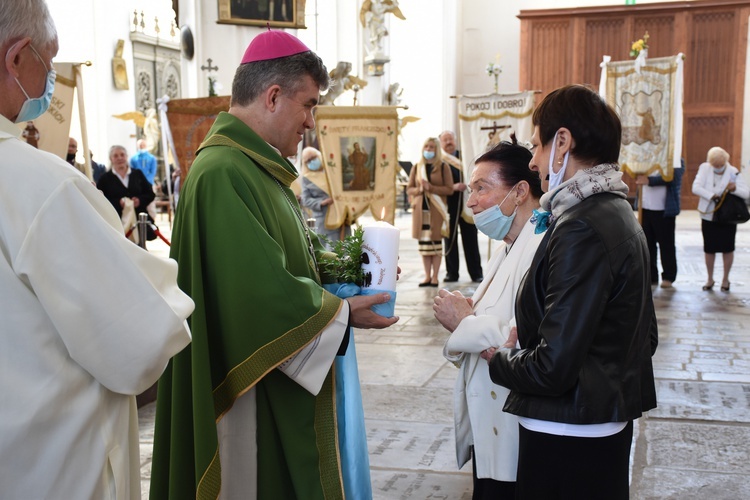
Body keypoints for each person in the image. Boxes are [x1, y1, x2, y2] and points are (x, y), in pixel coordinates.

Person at [149, 29, 398, 500]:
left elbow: (290, 258)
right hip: (247, 392)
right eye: (307, 105)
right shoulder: (222, 172)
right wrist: (343, 315)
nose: (310, 122)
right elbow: (258, 291)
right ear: (273, 96)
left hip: (272, 379)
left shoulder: (258, 170)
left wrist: (351, 270)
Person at [0, 2, 194, 498]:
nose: (48, 79)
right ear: (16, 57)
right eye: (49, 61)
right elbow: (137, 344)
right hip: (50, 465)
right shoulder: (42, 185)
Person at [483, 84, 658, 499]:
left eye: (536, 146)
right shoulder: (617, 210)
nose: (533, 161)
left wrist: (499, 359)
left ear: (562, 142)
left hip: (567, 429)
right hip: (597, 419)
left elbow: (553, 366)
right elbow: (644, 338)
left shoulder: (582, 224)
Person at [433, 136, 545, 499]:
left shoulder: (543, 245)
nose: (473, 201)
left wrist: (465, 321)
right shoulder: (507, 247)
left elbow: (522, 338)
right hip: (491, 417)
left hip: (514, 420)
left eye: (482, 188)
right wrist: (471, 316)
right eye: (472, 189)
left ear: (521, 191)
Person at [691, 146, 750, 292]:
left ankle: (725, 279)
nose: (718, 167)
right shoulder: (704, 168)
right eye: (715, 165)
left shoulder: (733, 172)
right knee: (709, 248)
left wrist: (734, 188)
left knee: (727, 248)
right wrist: (712, 195)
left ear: (725, 162)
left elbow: (746, 193)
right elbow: (696, 187)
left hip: (727, 217)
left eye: (720, 165)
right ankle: (710, 278)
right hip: (709, 214)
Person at [406, 136, 454, 287]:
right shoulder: (416, 167)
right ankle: (427, 276)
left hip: (436, 210)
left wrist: (431, 188)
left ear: (436, 149)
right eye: (426, 147)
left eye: (431, 147)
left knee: (436, 245)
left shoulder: (443, 166)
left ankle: (435, 277)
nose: (428, 150)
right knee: (425, 246)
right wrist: (420, 189)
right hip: (421, 211)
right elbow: (409, 189)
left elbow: (449, 189)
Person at [439, 130, 483, 283]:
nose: (448, 142)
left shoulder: (464, 157)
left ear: (455, 140)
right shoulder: (439, 159)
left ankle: (476, 273)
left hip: (466, 203)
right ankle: (452, 273)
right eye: (445, 140)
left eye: (450, 139)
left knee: (470, 239)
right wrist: (452, 186)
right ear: (441, 142)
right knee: (449, 239)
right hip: (447, 203)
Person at [635, 159, 684, 288]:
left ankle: (668, 276)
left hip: (664, 209)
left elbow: (673, 177)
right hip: (645, 207)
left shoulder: (675, 159)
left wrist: (650, 181)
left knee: (666, 244)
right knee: (647, 243)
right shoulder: (646, 157)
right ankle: (651, 275)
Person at [97, 144, 156, 240]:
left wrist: (139, 200)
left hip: (138, 223)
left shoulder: (137, 174)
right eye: (116, 156)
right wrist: (118, 203)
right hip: (116, 223)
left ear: (126, 156)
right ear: (111, 159)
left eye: (122, 155)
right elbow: (101, 200)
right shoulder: (105, 179)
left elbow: (150, 194)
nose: (119, 158)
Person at [300, 145, 351, 249]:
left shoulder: (331, 172)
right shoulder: (306, 178)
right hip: (323, 220)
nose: (312, 161)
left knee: (346, 249)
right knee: (329, 252)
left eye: (313, 158)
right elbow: (305, 200)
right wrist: (321, 202)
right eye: (308, 160)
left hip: (341, 216)